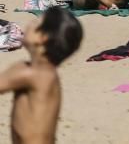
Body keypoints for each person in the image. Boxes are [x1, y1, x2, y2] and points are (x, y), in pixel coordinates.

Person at [0, 8, 82, 144]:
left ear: (42, 38)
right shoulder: (46, 73)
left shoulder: (33, 74)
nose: (28, 24)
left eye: (35, 22)